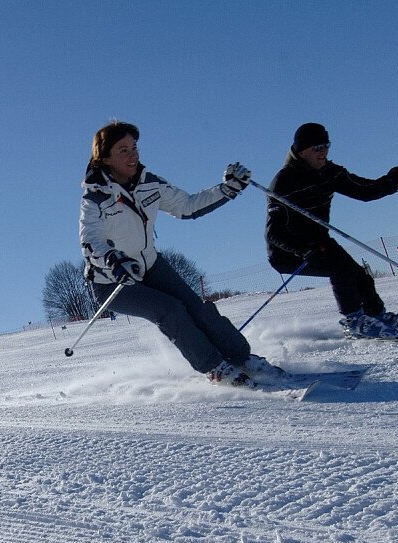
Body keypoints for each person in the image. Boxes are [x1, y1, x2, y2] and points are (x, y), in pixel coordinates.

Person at [79, 120, 290, 389]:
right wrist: (113, 259)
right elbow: (90, 240)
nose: (133, 155)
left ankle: (243, 358)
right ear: (105, 158)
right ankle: (215, 368)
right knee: (171, 311)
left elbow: (187, 206)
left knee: (197, 308)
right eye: (123, 150)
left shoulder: (149, 183)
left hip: (150, 265)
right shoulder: (95, 197)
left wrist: (227, 189)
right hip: (113, 280)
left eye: (134, 147)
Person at [264, 122, 398, 340]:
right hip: (288, 251)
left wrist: (391, 182)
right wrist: (303, 249)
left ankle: (376, 315)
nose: (324, 152)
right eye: (317, 148)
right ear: (302, 152)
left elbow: (364, 191)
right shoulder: (283, 182)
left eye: (326, 146)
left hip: (319, 241)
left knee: (361, 276)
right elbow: (273, 233)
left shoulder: (330, 173)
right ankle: (354, 322)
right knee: (341, 268)